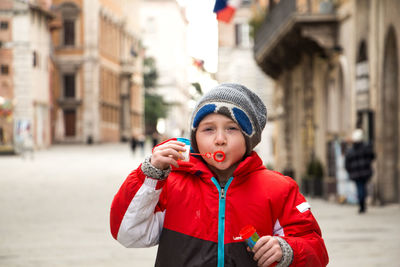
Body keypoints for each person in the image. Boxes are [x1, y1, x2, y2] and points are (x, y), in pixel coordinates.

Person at [110, 83, 329, 267]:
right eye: (208, 129)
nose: (220, 139)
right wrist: (149, 175)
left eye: (232, 128)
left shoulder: (279, 188)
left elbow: (316, 250)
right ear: (195, 139)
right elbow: (128, 233)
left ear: (249, 138)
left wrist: (287, 250)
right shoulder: (171, 184)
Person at [345, 129, 375, 213]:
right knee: (363, 188)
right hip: (365, 172)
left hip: (356, 173)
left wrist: (350, 171)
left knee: (359, 188)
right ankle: (362, 204)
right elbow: (372, 156)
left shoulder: (350, 151)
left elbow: (347, 164)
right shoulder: (366, 148)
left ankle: (362, 204)